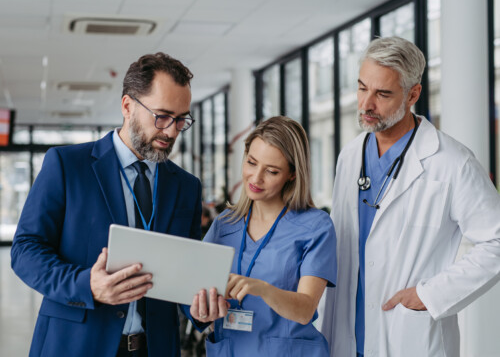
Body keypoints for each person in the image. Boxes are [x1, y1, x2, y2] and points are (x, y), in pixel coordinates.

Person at [11, 52, 203, 357]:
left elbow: (188, 272)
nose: (171, 131)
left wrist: (201, 309)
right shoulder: (66, 165)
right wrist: (86, 285)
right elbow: (25, 251)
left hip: (154, 348)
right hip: (76, 344)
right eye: (163, 116)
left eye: (182, 120)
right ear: (128, 106)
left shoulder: (186, 186)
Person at [319, 36, 500, 356]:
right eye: (362, 88)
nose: (366, 104)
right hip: (348, 331)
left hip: (408, 336)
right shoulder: (350, 155)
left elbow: (496, 242)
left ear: (413, 93)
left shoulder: (452, 162)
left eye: (382, 93)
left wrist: (430, 295)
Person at [190, 116, 337, 356]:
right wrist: (200, 310)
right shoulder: (224, 225)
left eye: (271, 171)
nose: (256, 178)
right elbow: (197, 290)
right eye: (251, 162)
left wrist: (264, 289)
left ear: (292, 174)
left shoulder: (315, 227)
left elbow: (305, 309)